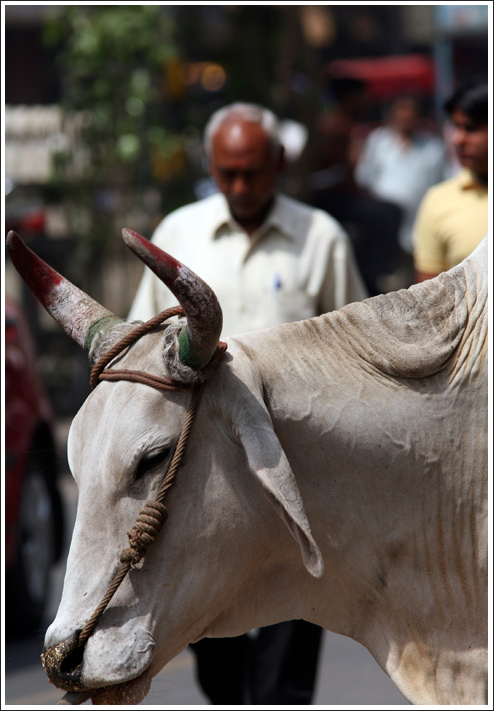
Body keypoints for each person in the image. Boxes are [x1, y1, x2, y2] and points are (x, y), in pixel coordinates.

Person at [129, 102, 367, 704]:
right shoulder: (180, 233)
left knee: (292, 639)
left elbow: (354, 350)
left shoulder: (321, 238)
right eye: (228, 173)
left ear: (279, 164)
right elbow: (140, 344)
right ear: (211, 165)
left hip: (298, 469)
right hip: (204, 480)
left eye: (253, 172)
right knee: (213, 639)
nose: (240, 186)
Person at [310, 76, 403, 296]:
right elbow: (335, 178)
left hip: (342, 197)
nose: (367, 103)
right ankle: (372, 277)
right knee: (387, 213)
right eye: (362, 97)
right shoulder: (333, 128)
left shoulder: (347, 127)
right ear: (348, 98)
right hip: (330, 201)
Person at [355, 95, 447, 278]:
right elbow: (364, 177)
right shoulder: (379, 141)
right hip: (382, 229)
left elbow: (440, 185)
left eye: (410, 114)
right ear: (393, 115)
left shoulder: (433, 148)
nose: (405, 118)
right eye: (401, 113)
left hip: (418, 229)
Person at [413, 77, 488, 282]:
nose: (458, 139)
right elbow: (429, 299)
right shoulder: (438, 201)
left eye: (471, 128)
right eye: (456, 127)